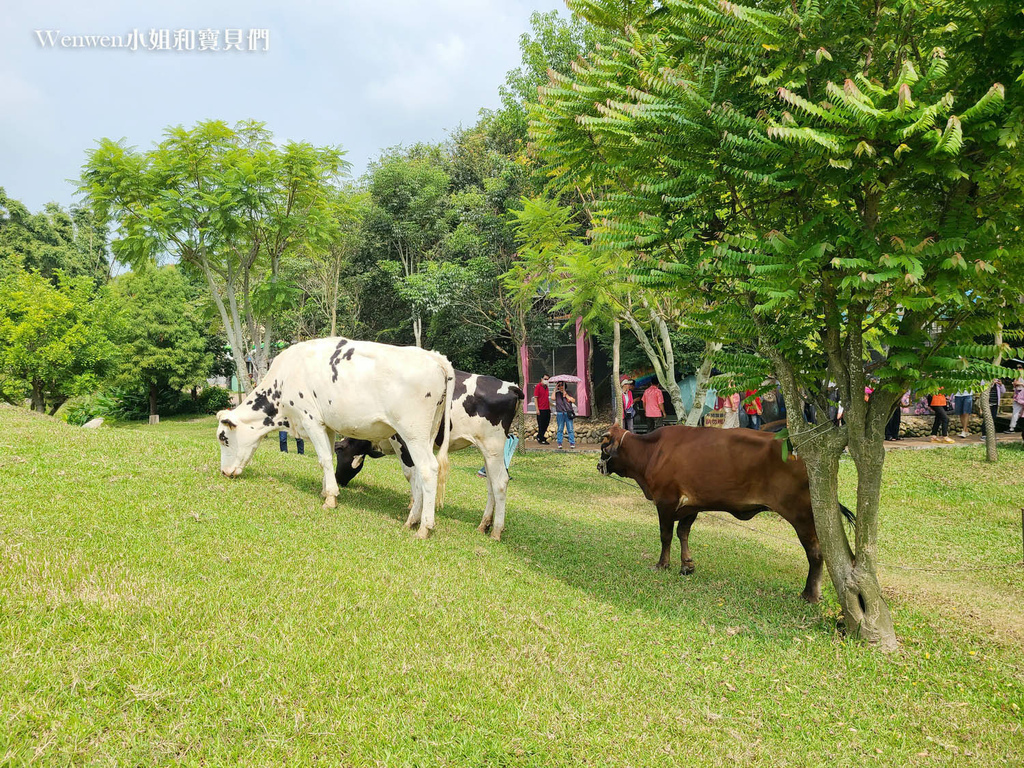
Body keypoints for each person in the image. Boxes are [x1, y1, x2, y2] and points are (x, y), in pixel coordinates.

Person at [554, 381, 576, 449]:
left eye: (562, 385)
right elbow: (552, 398)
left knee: (570, 429)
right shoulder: (557, 394)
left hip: (567, 412)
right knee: (560, 428)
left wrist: (566, 394)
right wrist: (555, 389)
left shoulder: (569, 393)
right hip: (560, 413)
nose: (561, 387)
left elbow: (573, 400)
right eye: (559, 385)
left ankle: (572, 443)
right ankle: (559, 443)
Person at [533, 374, 551, 445]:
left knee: (546, 423)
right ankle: (540, 438)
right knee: (541, 424)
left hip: (547, 408)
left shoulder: (547, 387)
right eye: (545, 379)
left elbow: (546, 398)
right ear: (541, 379)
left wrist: (550, 406)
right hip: (541, 409)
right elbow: (536, 398)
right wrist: (537, 409)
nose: (546, 380)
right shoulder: (538, 387)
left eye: (547, 379)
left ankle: (540, 436)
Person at [1006, 366, 1024, 433]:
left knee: (1016, 412)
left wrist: (1020, 383)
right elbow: (1014, 384)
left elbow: (1015, 383)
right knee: (1017, 412)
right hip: (1019, 396)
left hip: (1020, 397)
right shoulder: (1017, 377)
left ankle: (1012, 428)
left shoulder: (1019, 377)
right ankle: (1012, 427)